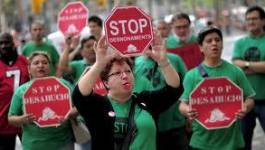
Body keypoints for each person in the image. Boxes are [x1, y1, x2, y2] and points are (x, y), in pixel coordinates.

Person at [72, 33, 183, 150]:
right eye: (117, 73)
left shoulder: (145, 100)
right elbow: (79, 96)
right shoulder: (98, 105)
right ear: (106, 83)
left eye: (128, 71)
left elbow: (174, 89)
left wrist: (163, 62)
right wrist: (99, 64)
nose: (125, 76)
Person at [179, 26, 255, 150]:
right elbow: (182, 105)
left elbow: (250, 98)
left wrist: (245, 107)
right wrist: (187, 110)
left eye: (217, 40)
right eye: (209, 41)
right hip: (201, 143)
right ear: (201, 48)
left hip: (233, 143)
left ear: (222, 44)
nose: (214, 43)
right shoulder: (191, 75)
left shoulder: (235, 71)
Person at [8, 51, 77, 150]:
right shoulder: (21, 91)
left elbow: (80, 106)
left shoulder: (64, 85)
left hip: (63, 143)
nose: (41, 65)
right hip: (33, 146)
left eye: (45, 63)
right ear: (29, 69)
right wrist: (22, 119)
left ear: (50, 67)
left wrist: (70, 114)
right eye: (36, 63)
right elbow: (11, 118)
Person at [134, 50, 188, 150]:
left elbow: (185, 87)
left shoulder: (174, 59)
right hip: (148, 126)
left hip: (175, 124)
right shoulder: (135, 63)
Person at [232, 6, 265, 150]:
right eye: (248, 19)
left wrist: (245, 65)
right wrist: (257, 66)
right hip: (244, 102)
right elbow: (235, 66)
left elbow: (241, 65)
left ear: (263, 21)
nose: (251, 22)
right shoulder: (240, 43)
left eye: (255, 18)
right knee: (243, 142)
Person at [0, 32, 29, 150]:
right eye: (0, 43)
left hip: (25, 117)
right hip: (3, 119)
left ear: (13, 44)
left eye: (6, 42)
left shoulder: (24, 61)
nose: (3, 46)